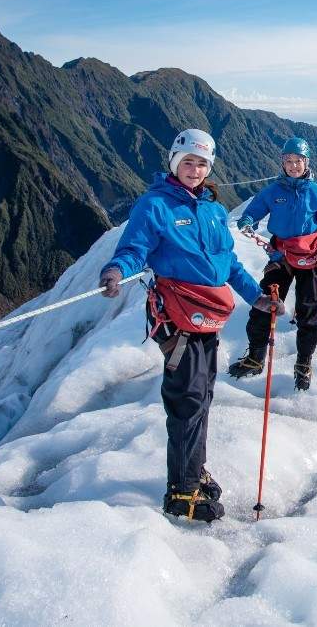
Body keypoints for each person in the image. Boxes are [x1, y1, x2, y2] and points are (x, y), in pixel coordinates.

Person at [98, 129, 283, 524]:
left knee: (202, 396)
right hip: (177, 317)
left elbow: (229, 264)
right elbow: (134, 248)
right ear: (174, 162)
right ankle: (181, 491)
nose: (194, 169)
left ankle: (194, 470)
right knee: (188, 400)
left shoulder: (213, 211)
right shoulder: (155, 205)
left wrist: (257, 297)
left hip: (206, 316)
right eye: (187, 162)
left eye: (201, 164)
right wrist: (116, 271)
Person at [230, 138, 317, 391]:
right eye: (288, 161)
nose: (293, 165)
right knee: (264, 303)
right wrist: (247, 220)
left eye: (298, 161)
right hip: (281, 256)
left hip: (311, 257)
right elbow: (254, 210)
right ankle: (256, 356)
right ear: (282, 162)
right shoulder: (273, 191)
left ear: (306, 163)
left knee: (307, 311)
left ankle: (303, 362)